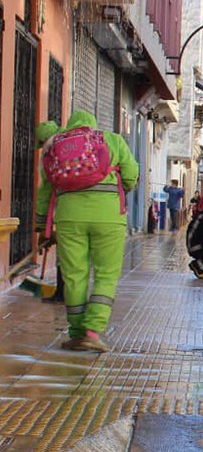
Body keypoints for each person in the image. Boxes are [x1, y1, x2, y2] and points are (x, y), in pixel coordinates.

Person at [35, 110, 139, 352]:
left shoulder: (55, 147)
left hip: (69, 217)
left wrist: (42, 226)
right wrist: (118, 190)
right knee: (106, 274)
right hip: (109, 217)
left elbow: (45, 192)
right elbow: (132, 175)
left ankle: (76, 332)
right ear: (93, 125)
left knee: (74, 276)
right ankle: (93, 331)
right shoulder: (112, 140)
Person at [35, 120, 65, 303]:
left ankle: (62, 293)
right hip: (103, 212)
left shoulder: (51, 154)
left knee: (65, 253)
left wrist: (41, 227)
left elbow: (46, 192)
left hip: (67, 211)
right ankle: (75, 295)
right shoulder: (78, 146)